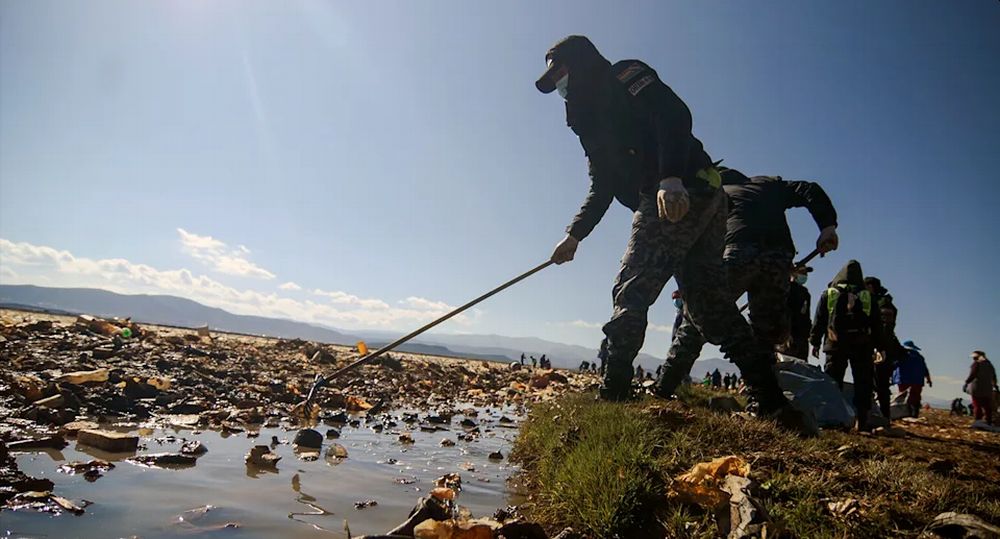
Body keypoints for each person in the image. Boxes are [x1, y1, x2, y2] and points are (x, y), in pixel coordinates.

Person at [535, 35, 812, 433]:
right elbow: (603, 184)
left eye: (562, 74)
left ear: (581, 64)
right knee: (710, 306)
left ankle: (613, 393)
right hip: (695, 197)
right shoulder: (588, 123)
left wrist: (669, 176)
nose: (561, 86)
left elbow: (673, 114)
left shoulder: (624, 76)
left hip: (680, 192)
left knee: (633, 287)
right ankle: (772, 402)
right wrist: (574, 235)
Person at [655, 166, 839, 397]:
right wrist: (827, 227)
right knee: (765, 335)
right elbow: (809, 189)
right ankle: (763, 401)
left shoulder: (719, 191)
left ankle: (663, 387)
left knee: (695, 322)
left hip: (737, 252)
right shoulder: (769, 184)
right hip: (778, 258)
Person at [810, 260, 883, 431]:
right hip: (862, 345)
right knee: (863, 383)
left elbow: (819, 320)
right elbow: (876, 324)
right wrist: (880, 347)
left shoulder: (829, 293)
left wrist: (814, 342)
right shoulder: (867, 296)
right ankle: (862, 422)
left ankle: (833, 419)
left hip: (834, 343)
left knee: (833, 382)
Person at [865, 276, 903, 422]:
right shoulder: (879, 302)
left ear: (871, 287)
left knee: (880, 383)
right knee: (876, 383)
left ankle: (883, 416)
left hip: (880, 349)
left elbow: (885, 329)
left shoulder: (883, 304)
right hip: (881, 347)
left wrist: (879, 348)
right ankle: (880, 415)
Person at [891, 340, 932, 417]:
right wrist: (929, 380)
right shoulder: (920, 357)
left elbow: (893, 365)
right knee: (915, 397)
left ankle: (905, 414)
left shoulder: (900, 355)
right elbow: (925, 370)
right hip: (917, 381)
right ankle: (914, 414)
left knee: (903, 397)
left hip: (903, 379)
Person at [779, 267, 812, 360]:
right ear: (794, 273)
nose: (805, 275)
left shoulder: (805, 293)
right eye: (802, 272)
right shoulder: (786, 289)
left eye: (806, 273)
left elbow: (806, 315)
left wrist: (808, 332)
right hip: (788, 336)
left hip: (801, 337)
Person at [965, 350, 997, 425]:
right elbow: (994, 376)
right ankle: (988, 421)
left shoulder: (977, 363)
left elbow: (973, 374)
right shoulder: (989, 364)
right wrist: (995, 385)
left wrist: (966, 382)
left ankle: (978, 421)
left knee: (977, 405)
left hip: (977, 387)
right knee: (987, 406)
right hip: (988, 388)